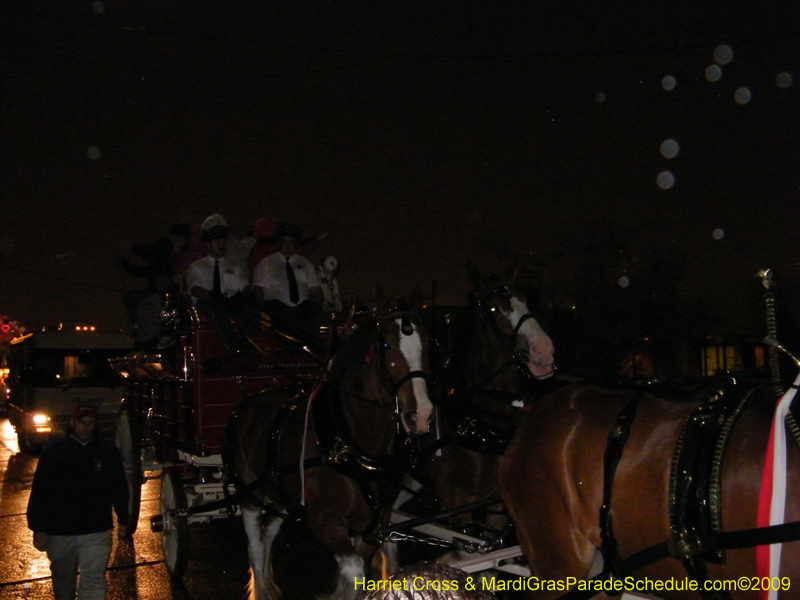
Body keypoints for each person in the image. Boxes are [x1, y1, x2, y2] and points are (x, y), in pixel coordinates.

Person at [27, 402, 130, 600]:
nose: (86, 427)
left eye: (90, 423)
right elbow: (41, 491)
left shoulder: (107, 451)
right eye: (82, 422)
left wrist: (123, 518)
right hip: (62, 530)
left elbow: (118, 487)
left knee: (93, 578)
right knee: (63, 579)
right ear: (73, 423)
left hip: (96, 528)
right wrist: (39, 528)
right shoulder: (55, 451)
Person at [184, 214, 252, 352]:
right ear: (208, 244)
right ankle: (234, 346)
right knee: (217, 308)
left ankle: (250, 343)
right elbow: (195, 288)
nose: (222, 244)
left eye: (223, 240)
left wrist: (246, 294)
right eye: (217, 241)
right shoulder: (197, 266)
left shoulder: (234, 265)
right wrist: (209, 294)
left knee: (252, 309)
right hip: (206, 302)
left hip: (230, 301)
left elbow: (244, 285)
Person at [252, 222, 323, 338]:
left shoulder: (306, 263)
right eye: (285, 242)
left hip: (301, 308)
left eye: (292, 242)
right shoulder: (266, 263)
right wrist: (263, 308)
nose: (288, 245)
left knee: (311, 310)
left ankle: (310, 345)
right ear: (279, 243)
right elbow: (258, 289)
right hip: (277, 307)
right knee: (279, 311)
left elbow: (316, 290)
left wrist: (316, 304)